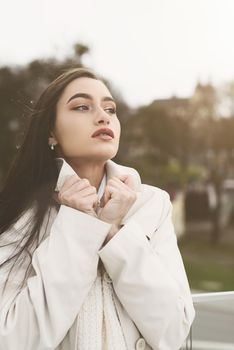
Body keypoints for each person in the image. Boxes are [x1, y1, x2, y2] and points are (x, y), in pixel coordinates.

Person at [0, 67, 195, 350]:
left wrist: (116, 234)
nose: (103, 116)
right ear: (51, 132)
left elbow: (173, 332)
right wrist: (78, 225)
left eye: (110, 108)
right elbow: (12, 339)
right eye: (82, 106)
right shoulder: (21, 211)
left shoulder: (152, 204)